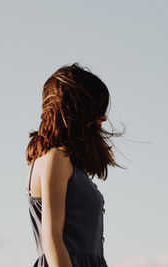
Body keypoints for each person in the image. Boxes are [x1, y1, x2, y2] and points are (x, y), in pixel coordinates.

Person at [25, 62, 125, 266]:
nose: (104, 118)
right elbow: (52, 241)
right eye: (98, 109)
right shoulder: (55, 158)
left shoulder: (67, 162)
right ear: (78, 111)